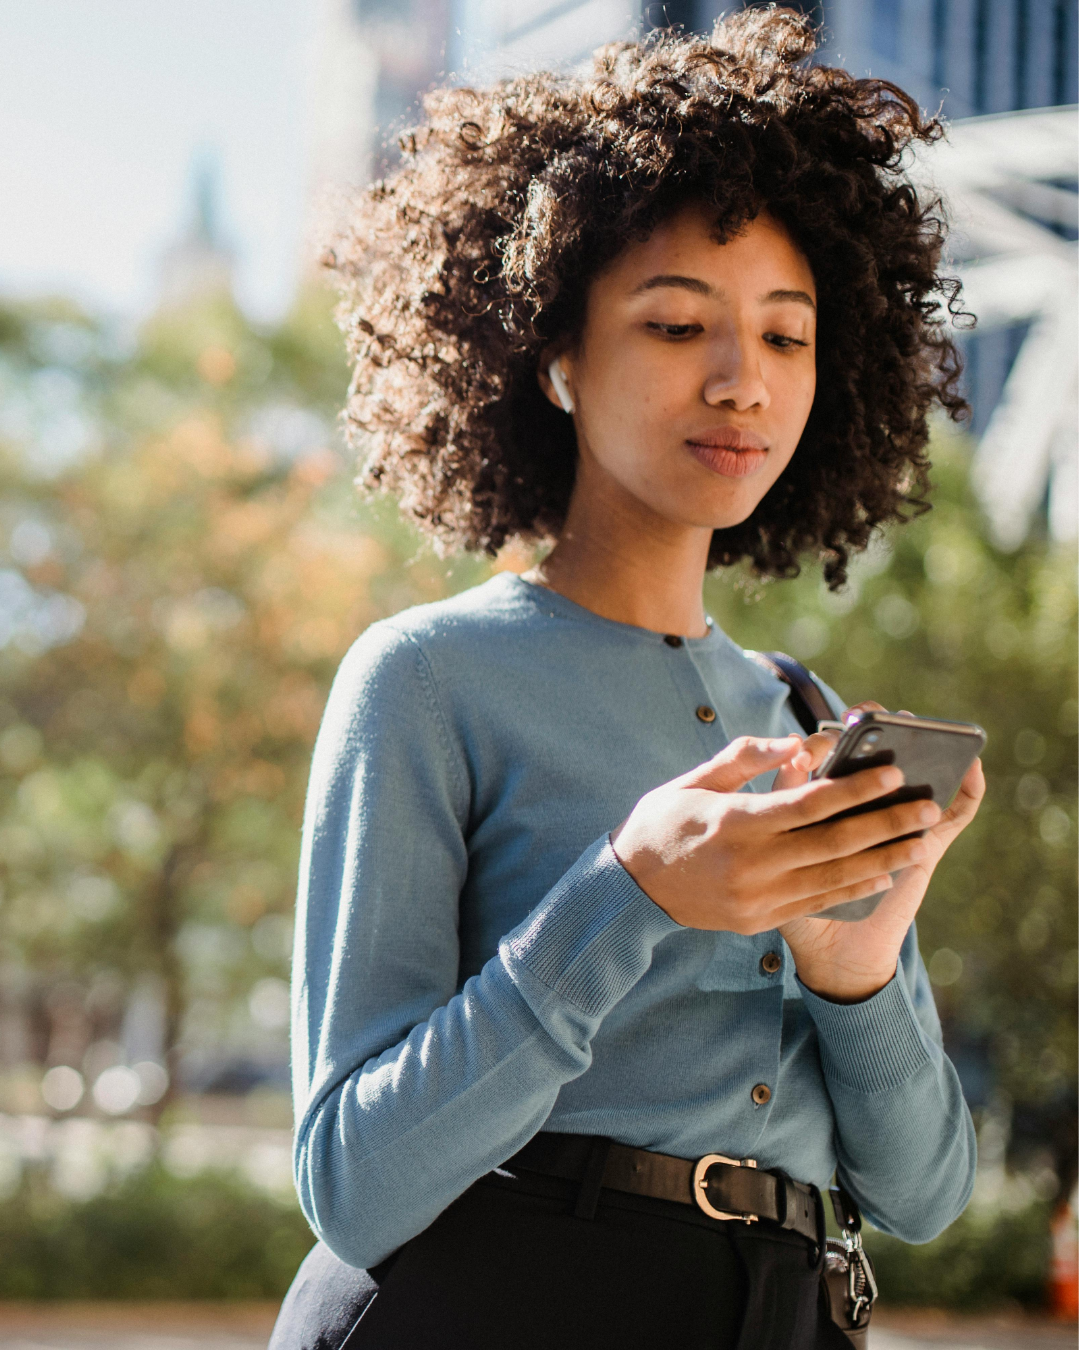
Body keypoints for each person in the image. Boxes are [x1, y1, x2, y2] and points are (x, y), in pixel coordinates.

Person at [271, 10, 983, 1348]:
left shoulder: (808, 720)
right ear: (555, 355)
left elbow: (928, 1194)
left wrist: (858, 970)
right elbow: (353, 1186)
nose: (741, 381)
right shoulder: (426, 678)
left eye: (787, 336)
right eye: (675, 324)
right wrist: (629, 890)